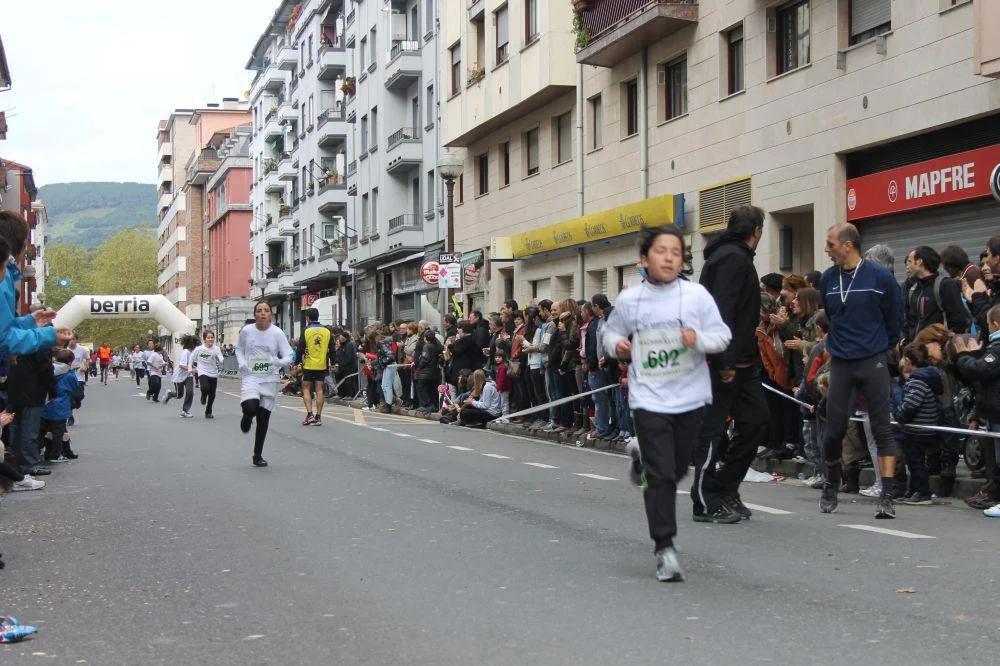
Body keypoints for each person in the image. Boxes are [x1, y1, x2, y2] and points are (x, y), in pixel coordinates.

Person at [603, 225, 732, 582]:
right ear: (644, 259)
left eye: (676, 252)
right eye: (661, 251)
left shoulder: (696, 296)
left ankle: (642, 461)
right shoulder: (630, 300)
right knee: (661, 476)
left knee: (676, 469)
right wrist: (618, 346)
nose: (669, 258)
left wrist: (697, 338)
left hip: (690, 397)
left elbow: (722, 336)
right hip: (648, 398)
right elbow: (610, 333)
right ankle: (664, 547)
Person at [691, 205, 770, 524]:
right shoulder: (731, 259)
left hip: (743, 360)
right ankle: (704, 500)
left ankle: (725, 487)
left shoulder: (735, 257)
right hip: (722, 360)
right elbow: (721, 312)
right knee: (712, 429)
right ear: (757, 231)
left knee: (756, 420)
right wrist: (724, 360)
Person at [819, 223, 903, 518]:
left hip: (872, 360)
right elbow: (832, 316)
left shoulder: (881, 277)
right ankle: (831, 481)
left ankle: (887, 495)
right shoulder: (828, 279)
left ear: (848, 245)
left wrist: (879, 346)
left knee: (881, 427)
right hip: (842, 362)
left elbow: (895, 319)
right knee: (834, 430)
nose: (827, 250)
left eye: (831, 244)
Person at [954, 304, 1000, 516]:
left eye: (989, 325)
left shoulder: (997, 348)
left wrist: (964, 356)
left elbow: (982, 370)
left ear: (996, 324)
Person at [236, 300, 293, 467]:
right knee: (251, 407)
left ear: (271, 315)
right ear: (254, 314)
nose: (263, 313)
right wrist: (242, 364)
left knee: (263, 419)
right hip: (251, 376)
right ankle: (247, 416)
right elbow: (239, 350)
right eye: (259, 310)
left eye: (266, 310)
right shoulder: (247, 331)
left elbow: (289, 355)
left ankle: (257, 455)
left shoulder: (277, 333)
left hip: (270, 379)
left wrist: (278, 362)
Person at [903, 245, 971, 342]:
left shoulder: (945, 285)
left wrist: (946, 343)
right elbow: (909, 322)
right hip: (916, 348)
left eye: (909, 261)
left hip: (939, 348)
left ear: (920, 262)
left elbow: (959, 321)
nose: (907, 266)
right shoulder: (913, 289)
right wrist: (905, 342)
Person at [40, 348, 81, 463]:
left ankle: (47, 452)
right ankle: (56, 455)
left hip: (47, 404)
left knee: (47, 430)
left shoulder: (49, 370)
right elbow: (75, 388)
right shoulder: (69, 375)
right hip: (61, 406)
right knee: (58, 432)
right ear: (70, 362)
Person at [297, 308, 332, 426]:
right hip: (322, 365)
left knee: (306, 388)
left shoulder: (306, 330)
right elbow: (332, 348)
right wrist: (334, 362)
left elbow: (300, 348)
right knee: (319, 390)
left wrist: (297, 362)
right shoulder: (327, 330)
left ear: (307, 318)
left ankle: (309, 414)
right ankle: (318, 417)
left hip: (309, 365)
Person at [163, 334, 198, 417]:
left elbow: (189, 364)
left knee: (190, 392)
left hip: (188, 376)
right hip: (179, 376)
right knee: (179, 395)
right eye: (195, 344)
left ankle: (184, 411)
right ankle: (170, 394)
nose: (196, 346)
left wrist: (193, 368)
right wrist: (192, 370)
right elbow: (181, 366)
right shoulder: (186, 352)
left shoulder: (191, 353)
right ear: (191, 344)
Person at [192, 330, 224, 418]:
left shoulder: (216, 348)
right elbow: (192, 357)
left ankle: (208, 411)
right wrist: (191, 368)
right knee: (205, 387)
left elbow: (221, 359)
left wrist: (219, 359)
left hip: (213, 373)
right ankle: (203, 395)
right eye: (208, 338)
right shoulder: (199, 349)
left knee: (212, 394)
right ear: (205, 339)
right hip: (203, 371)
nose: (210, 339)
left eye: (212, 337)